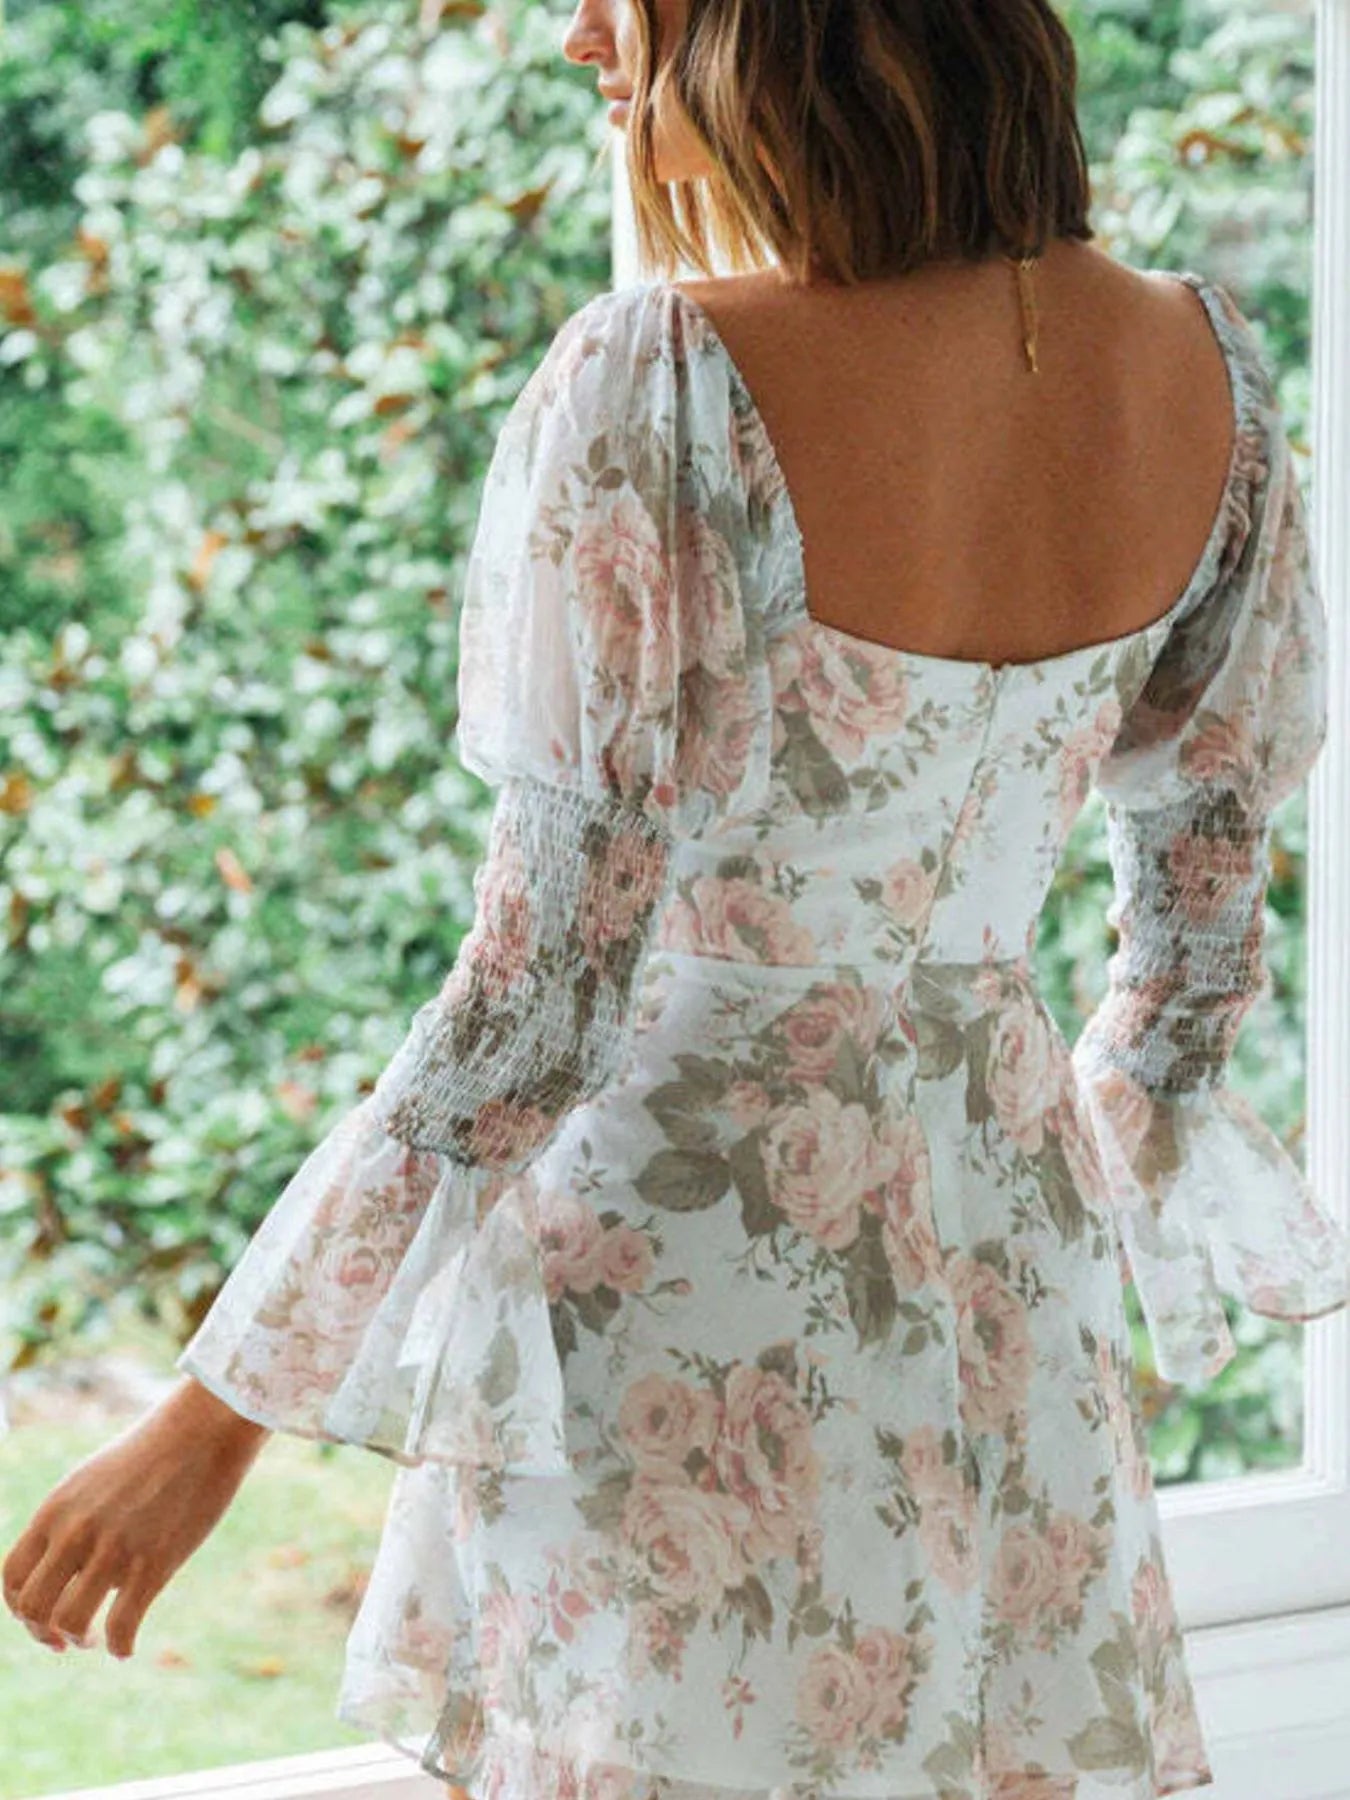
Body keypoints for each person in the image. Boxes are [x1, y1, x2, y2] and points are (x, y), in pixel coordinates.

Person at [4, 1, 1346, 1796]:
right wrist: (1020, 1160)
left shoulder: (662, 376)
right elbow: (1193, 942)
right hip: (1005, 1271)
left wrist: (209, 1420)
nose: (579, 36)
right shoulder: (1201, 369)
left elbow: (534, 999)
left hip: (680, 1311)